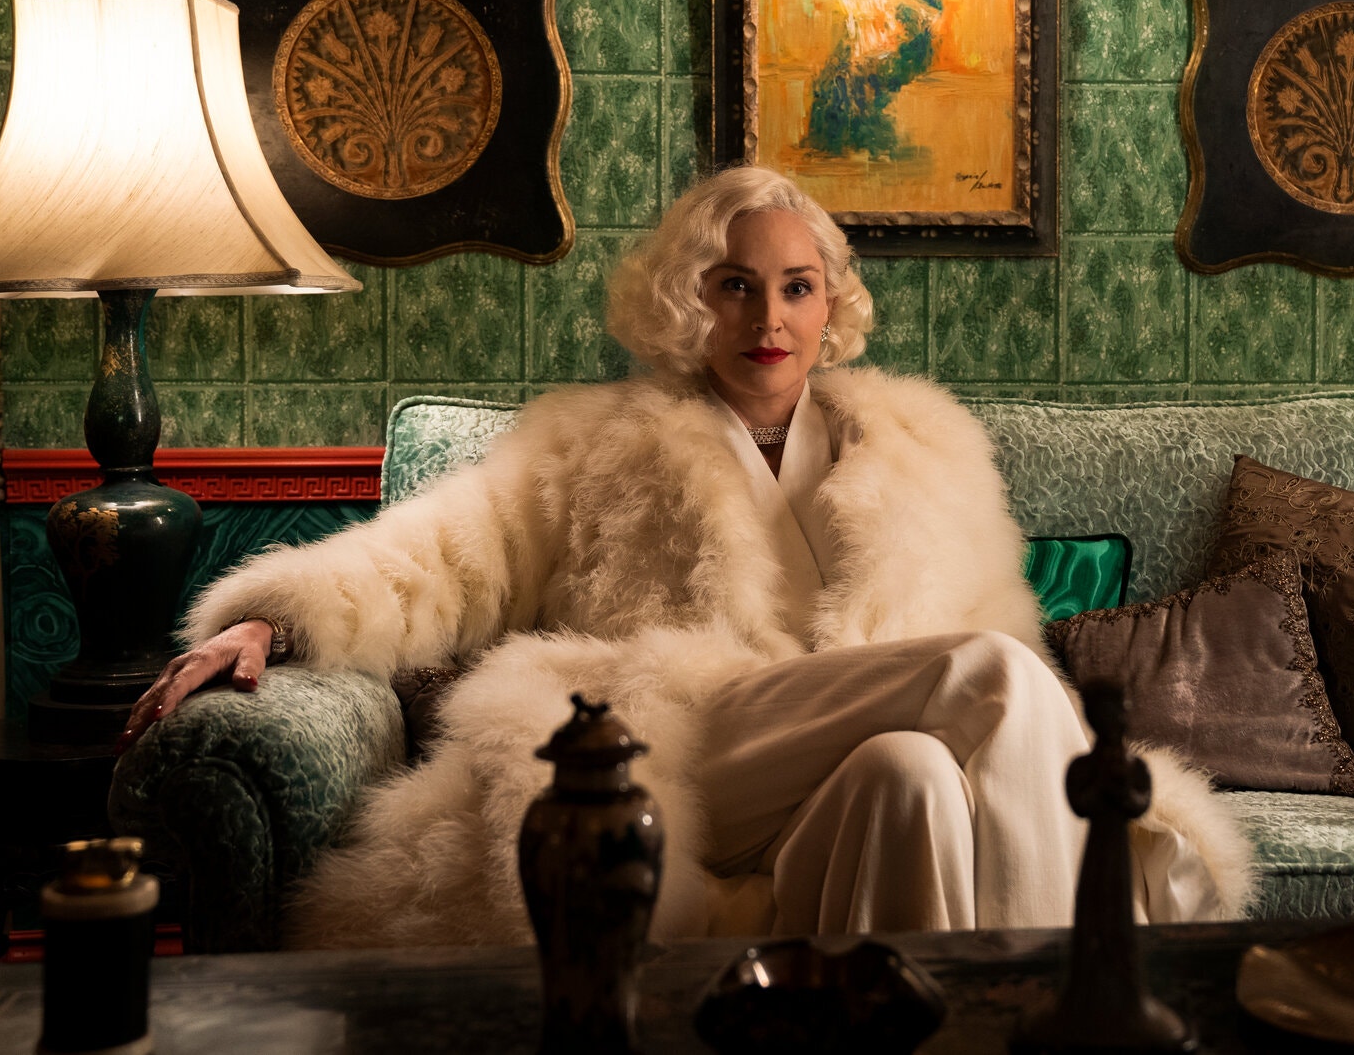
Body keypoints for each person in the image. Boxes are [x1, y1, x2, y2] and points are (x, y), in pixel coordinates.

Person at [119, 166, 1254, 947]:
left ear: (830, 305)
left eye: (797, 288)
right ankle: (1069, 1003)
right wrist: (277, 615)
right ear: (687, 301)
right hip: (692, 742)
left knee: (910, 774)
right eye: (735, 285)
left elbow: (996, 616)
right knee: (988, 678)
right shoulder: (590, 439)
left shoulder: (926, 446)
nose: (769, 317)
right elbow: (435, 560)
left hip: (854, 762)